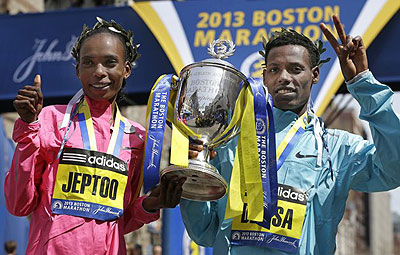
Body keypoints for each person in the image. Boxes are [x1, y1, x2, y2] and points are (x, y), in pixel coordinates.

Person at [180, 15, 400, 255]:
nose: (284, 77)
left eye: (296, 69)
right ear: (265, 77)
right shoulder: (229, 140)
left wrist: (363, 84)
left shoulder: (336, 149)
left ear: (314, 75)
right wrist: (193, 179)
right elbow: (204, 232)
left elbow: (393, 171)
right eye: (274, 69)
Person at [4, 17, 184, 255]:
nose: (99, 72)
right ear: (78, 69)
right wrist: (28, 128)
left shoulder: (137, 138)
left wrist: (150, 205)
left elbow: (121, 220)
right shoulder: (50, 120)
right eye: (88, 63)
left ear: (126, 69)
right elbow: (19, 204)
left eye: (110, 62)